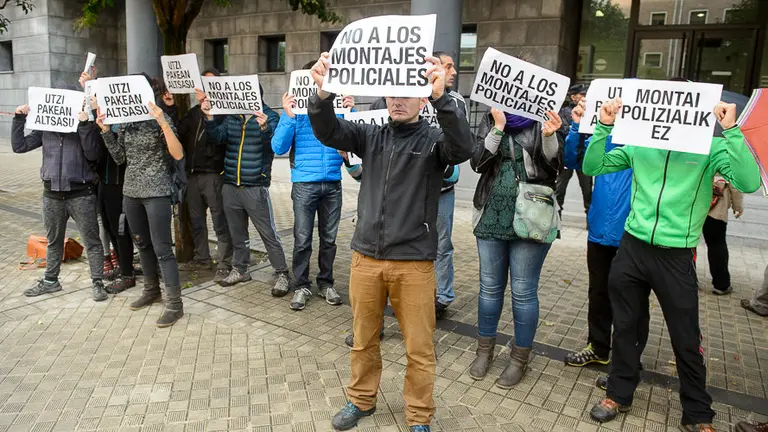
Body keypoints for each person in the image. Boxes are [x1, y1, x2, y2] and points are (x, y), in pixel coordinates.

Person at [308, 53, 473, 432]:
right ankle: (361, 400)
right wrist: (323, 94)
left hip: (414, 262)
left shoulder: (435, 140)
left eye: (407, 94)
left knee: (419, 349)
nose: (398, 101)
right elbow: (328, 131)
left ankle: (418, 416)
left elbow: (463, 148)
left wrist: (443, 99)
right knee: (363, 339)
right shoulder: (371, 135)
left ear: (421, 98)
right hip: (366, 258)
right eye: (392, 94)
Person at [583, 97, 761, 432]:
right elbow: (593, 166)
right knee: (626, 326)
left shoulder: (710, 148)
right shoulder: (639, 143)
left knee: (686, 336)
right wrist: (603, 126)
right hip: (632, 248)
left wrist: (731, 130)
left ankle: (697, 412)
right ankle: (618, 392)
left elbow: (749, 182)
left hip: (676, 254)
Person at [468, 106, 563, 388]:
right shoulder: (491, 118)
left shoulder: (544, 118)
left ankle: (519, 359)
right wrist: (498, 127)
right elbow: (478, 163)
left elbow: (555, 167)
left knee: (523, 291)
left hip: (532, 216)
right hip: (491, 214)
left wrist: (549, 136)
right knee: (489, 288)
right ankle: (484, 350)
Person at [369, 50, 465, 319]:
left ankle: (441, 297)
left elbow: (460, 143)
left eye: (451, 67)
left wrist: (450, 171)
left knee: (441, 244)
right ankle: (383, 305)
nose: (452, 72)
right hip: (402, 189)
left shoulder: (454, 101)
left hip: (441, 190)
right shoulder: (385, 100)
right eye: (447, 66)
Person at [96, 74, 186, 328]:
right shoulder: (126, 121)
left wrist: (163, 122)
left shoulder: (159, 117)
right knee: (142, 244)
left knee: (162, 249)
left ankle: (175, 304)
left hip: (157, 191)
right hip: (131, 192)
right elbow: (120, 158)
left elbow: (178, 153)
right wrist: (105, 131)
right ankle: (151, 290)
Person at [272, 61, 354, 310]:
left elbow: (354, 142)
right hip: (304, 184)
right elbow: (278, 147)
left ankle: (326, 283)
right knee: (302, 238)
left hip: (332, 182)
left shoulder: (337, 107)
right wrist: (287, 117)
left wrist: (350, 112)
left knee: (329, 240)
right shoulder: (295, 111)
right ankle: (301, 285)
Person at [12, 97, 107, 302]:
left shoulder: (85, 125)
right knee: (54, 241)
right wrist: (19, 119)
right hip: (52, 195)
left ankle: (98, 282)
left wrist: (84, 126)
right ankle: (50, 281)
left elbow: (93, 154)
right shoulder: (44, 128)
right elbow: (19, 146)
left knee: (92, 241)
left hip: (81, 194)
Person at [198, 84, 290, 294]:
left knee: (268, 234)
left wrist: (265, 128)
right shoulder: (233, 116)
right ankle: (240, 269)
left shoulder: (270, 116)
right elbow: (218, 137)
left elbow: (276, 145)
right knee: (237, 233)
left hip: (255, 187)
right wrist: (209, 118)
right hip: (231, 185)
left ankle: (282, 273)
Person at [562, 98, 634, 367]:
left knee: (630, 299)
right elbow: (572, 161)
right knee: (599, 293)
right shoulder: (600, 134)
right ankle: (599, 347)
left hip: (632, 232)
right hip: (600, 227)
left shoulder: (644, 142)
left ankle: (628, 358)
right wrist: (576, 128)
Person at [177, 68, 233, 284]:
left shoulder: (224, 113)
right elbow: (179, 133)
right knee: (197, 221)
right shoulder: (193, 112)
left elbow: (221, 139)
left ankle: (224, 262)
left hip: (214, 175)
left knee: (220, 221)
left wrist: (210, 114)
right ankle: (202, 259)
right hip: (192, 176)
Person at [555, 84, 592, 220]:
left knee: (588, 192)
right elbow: (563, 131)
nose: (585, 97)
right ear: (573, 97)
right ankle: (556, 220)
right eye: (582, 95)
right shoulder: (564, 112)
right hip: (567, 157)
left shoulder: (591, 112)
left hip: (584, 157)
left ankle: (590, 221)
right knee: (559, 190)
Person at [702, 175, 743, 295]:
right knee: (717, 245)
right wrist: (738, 207)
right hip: (716, 209)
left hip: (694, 206)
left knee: (689, 244)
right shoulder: (728, 162)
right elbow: (735, 186)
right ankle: (721, 284)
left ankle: (687, 279)